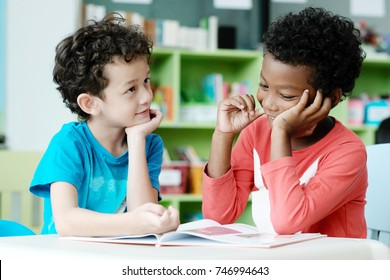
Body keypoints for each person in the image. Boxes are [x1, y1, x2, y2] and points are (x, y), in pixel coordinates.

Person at [202, 7, 368, 238]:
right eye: (264, 85)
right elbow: (218, 215)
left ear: (332, 98)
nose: (268, 103)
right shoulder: (256, 132)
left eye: (287, 96)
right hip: (282, 261)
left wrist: (280, 132)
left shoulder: (348, 152)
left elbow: (287, 222)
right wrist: (223, 135)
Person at [30, 14, 179, 236]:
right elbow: (66, 221)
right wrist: (136, 223)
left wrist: (137, 140)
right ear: (90, 103)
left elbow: (144, 220)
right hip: (64, 260)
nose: (147, 97)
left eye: (146, 81)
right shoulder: (69, 144)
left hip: (117, 258)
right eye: (131, 89)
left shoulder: (150, 144)